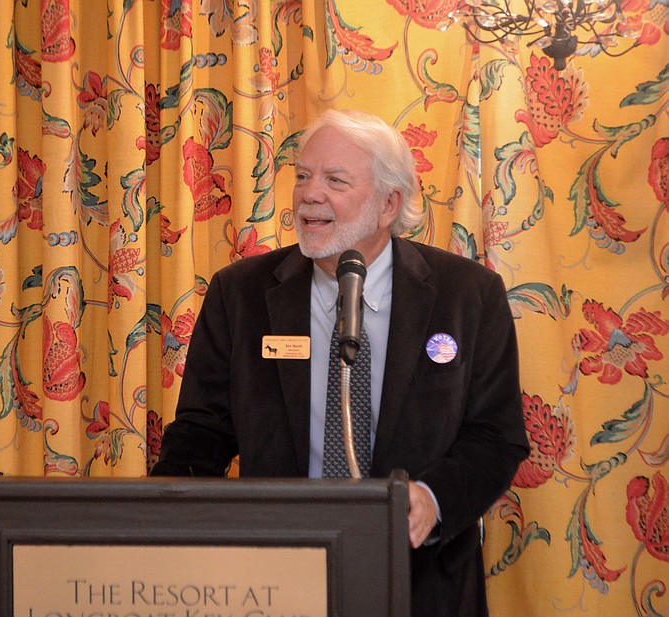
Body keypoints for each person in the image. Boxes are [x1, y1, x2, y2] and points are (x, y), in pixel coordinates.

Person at [150, 109, 529, 616]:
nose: (309, 194)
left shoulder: (468, 296)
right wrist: (159, 528)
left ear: (388, 204)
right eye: (303, 176)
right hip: (275, 582)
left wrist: (431, 499)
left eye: (335, 180)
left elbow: (495, 437)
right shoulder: (240, 294)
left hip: (422, 582)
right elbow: (200, 434)